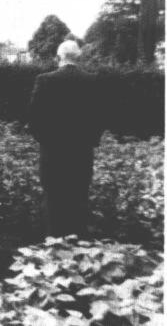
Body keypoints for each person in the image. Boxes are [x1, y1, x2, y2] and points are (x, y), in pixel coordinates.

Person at [28, 40, 103, 237]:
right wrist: (89, 142)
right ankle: (78, 252)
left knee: (53, 202)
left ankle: (54, 251)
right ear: (78, 57)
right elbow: (99, 119)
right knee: (79, 201)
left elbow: (34, 120)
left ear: (59, 57)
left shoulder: (44, 80)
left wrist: (48, 143)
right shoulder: (92, 80)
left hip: (53, 155)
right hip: (82, 154)